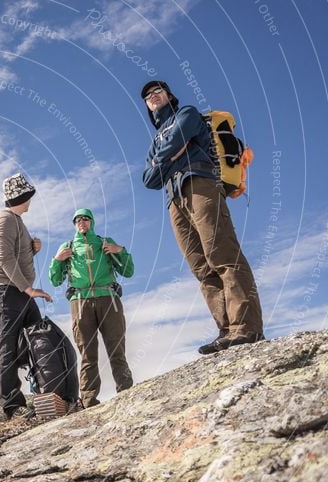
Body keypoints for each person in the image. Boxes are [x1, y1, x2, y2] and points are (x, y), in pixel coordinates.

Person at [140, 80, 264, 354]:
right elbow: (148, 179)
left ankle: (246, 328)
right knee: (201, 266)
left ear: (169, 96)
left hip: (199, 182)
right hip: (174, 199)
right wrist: (170, 155)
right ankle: (226, 330)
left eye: (157, 91)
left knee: (222, 253)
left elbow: (176, 139)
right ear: (147, 106)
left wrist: (165, 158)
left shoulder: (187, 113)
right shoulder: (155, 140)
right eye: (148, 96)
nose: (152, 96)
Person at [49, 209, 134, 408]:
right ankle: (89, 401)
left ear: (92, 222)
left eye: (86, 219)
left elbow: (128, 271)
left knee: (117, 349)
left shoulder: (105, 242)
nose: (82, 222)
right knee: (87, 354)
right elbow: (55, 280)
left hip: (109, 300)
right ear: (74, 224)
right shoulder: (67, 247)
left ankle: (127, 392)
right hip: (80, 302)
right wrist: (57, 260)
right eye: (77, 220)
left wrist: (120, 250)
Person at [0, 173, 53, 419]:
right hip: (5, 290)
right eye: (29, 196)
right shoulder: (4, 219)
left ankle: (45, 394)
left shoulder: (17, 221)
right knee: (8, 345)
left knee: (38, 339)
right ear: (21, 197)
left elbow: (16, 257)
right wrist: (29, 289)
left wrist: (32, 250)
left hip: (20, 289)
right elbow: (4, 259)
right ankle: (12, 406)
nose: (31, 201)